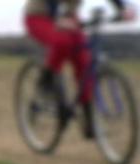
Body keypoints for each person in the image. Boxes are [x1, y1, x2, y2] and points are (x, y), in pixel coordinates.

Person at [24, 0, 135, 138]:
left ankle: (89, 122)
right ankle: (46, 82)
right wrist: (58, 20)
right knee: (62, 42)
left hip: (68, 18)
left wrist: (122, 8)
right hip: (39, 17)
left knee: (84, 62)